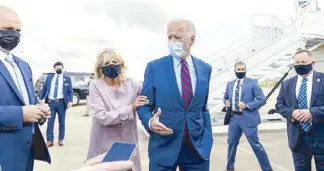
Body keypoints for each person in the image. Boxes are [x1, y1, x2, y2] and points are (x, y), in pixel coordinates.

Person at [137, 19, 213, 171]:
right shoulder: (154, 68)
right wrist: (150, 122)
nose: (172, 41)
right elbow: (143, 105)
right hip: (164, 147)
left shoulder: (205, 69)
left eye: (177, 37)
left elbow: (203, 108)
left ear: (192, 40)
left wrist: (207, 137)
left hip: (196, 149)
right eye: (169, 37)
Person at [0, 6, 51, 171]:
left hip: (26, 153)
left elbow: (29, 100)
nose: (14, 34)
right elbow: (23, 111)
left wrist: (39, 110)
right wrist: (21, 114)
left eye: (18, 30)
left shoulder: (23, 65)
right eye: (8, 29)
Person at [86, 48, 146, 171]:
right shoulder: (95, 86)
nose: (111, 66)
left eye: (115, 62)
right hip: (105, 147)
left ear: (121, 64)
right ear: (100, 68)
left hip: (128, 145)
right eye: (107, 64)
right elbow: (103, 117)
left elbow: (146, 101)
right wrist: (131, 108)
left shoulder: (133, 84)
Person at [276, 49, 324, 171]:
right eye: (297, 63)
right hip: (298, 139)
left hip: (321, 136)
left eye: (303, 61)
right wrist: (291, 113)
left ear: (313, 62)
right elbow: (279, 105)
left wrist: (312, 112)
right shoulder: (287, 84)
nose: (300, 65)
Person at [223, 61, 273, 171]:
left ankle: (267, 169)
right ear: (235, 71)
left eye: (242, 69)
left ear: (245, 70)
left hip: (248, 118)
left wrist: (247, 105)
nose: (241, 71)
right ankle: (230, 167)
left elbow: (262, 100)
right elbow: (226, 97)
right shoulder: (230, 84)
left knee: (255, 145)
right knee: (231, 144)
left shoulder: (252, 83)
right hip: (234, 119)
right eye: (238, 70)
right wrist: (226, 102)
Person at [39, 61, 73, 147]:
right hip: (51, 103)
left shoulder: (67, 78)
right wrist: (40, 98)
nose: (58, 70)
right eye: (57, 69)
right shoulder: (50, 77)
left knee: (62, 122)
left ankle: (61, 139)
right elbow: (45, 88)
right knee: (50, 122)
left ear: (63, 68)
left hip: (62, 103)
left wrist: (70, 101)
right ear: (54, 69)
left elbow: (70, 91)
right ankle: (50, 140)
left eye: (60, 69)